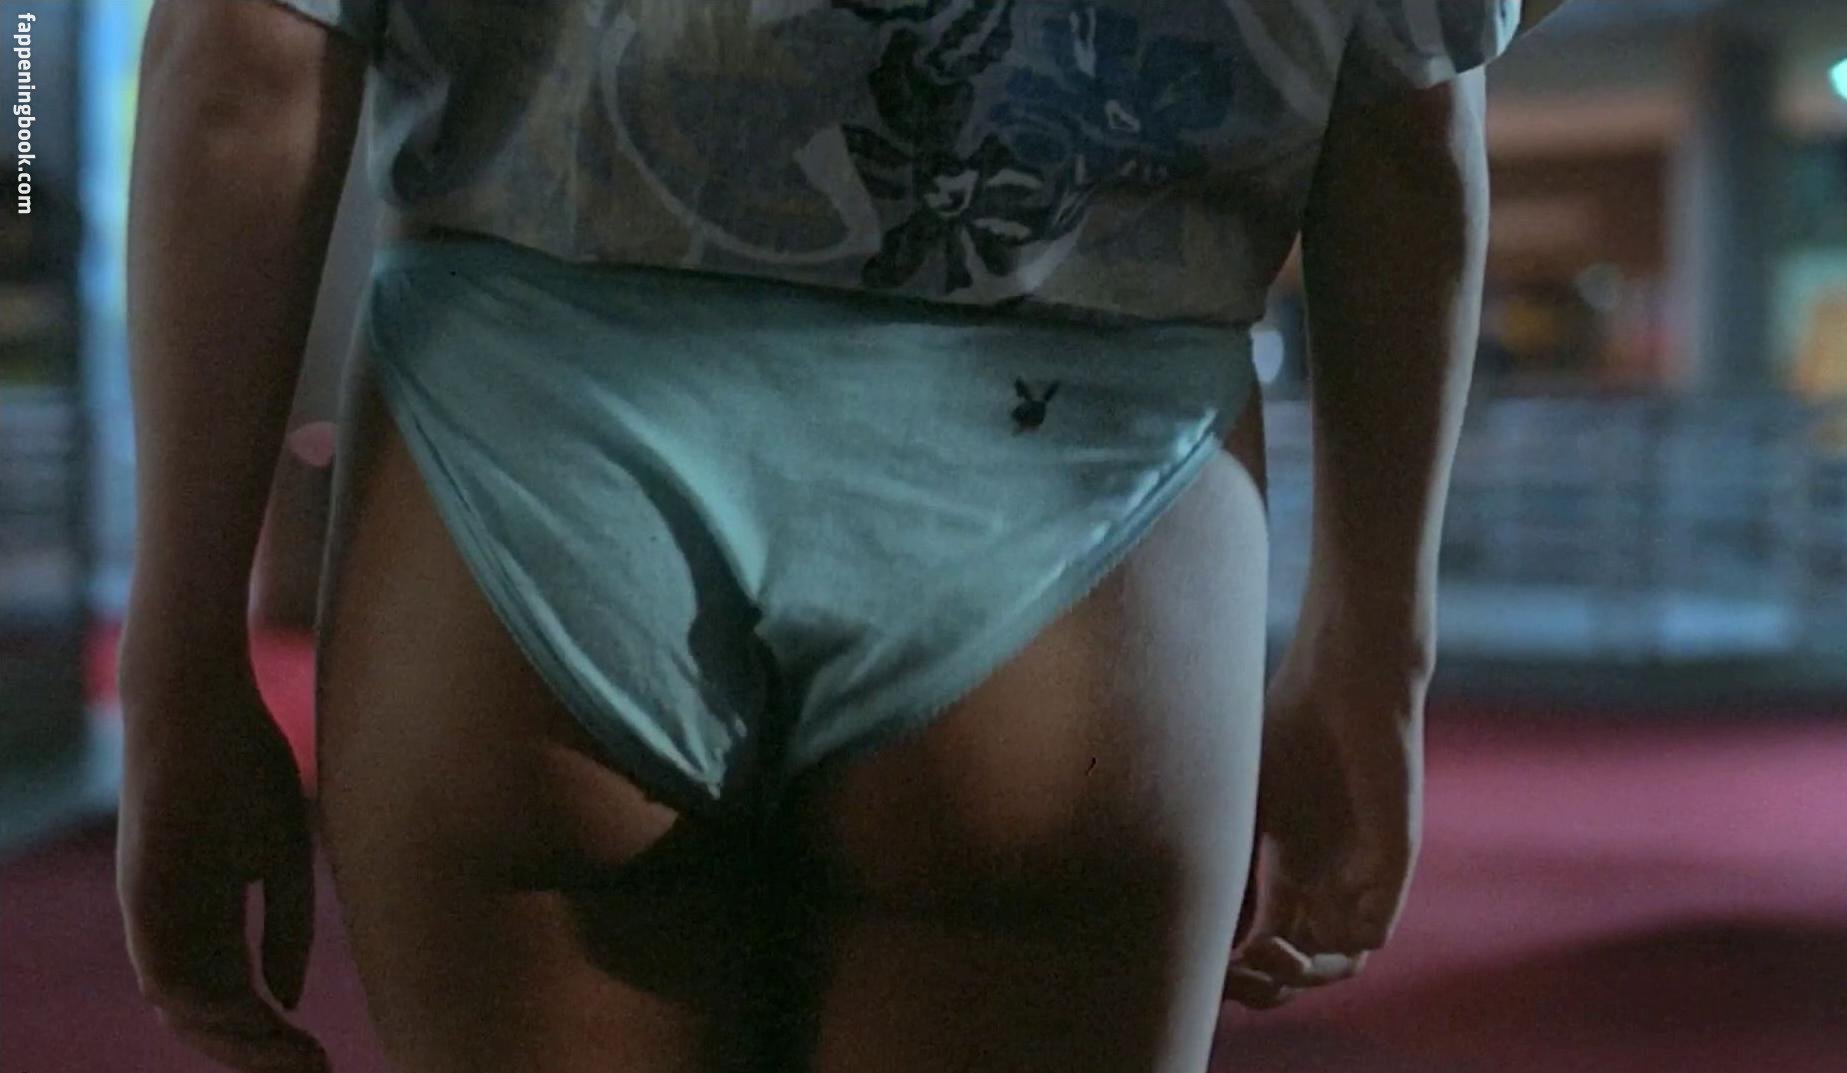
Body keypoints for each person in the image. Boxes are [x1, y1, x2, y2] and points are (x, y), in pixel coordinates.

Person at [114, 1, 1563, 1071]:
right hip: (1074, 483)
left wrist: (177, 670)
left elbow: (245, 58)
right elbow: (1407, 120)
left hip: (535, 449)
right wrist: (1373, 660)